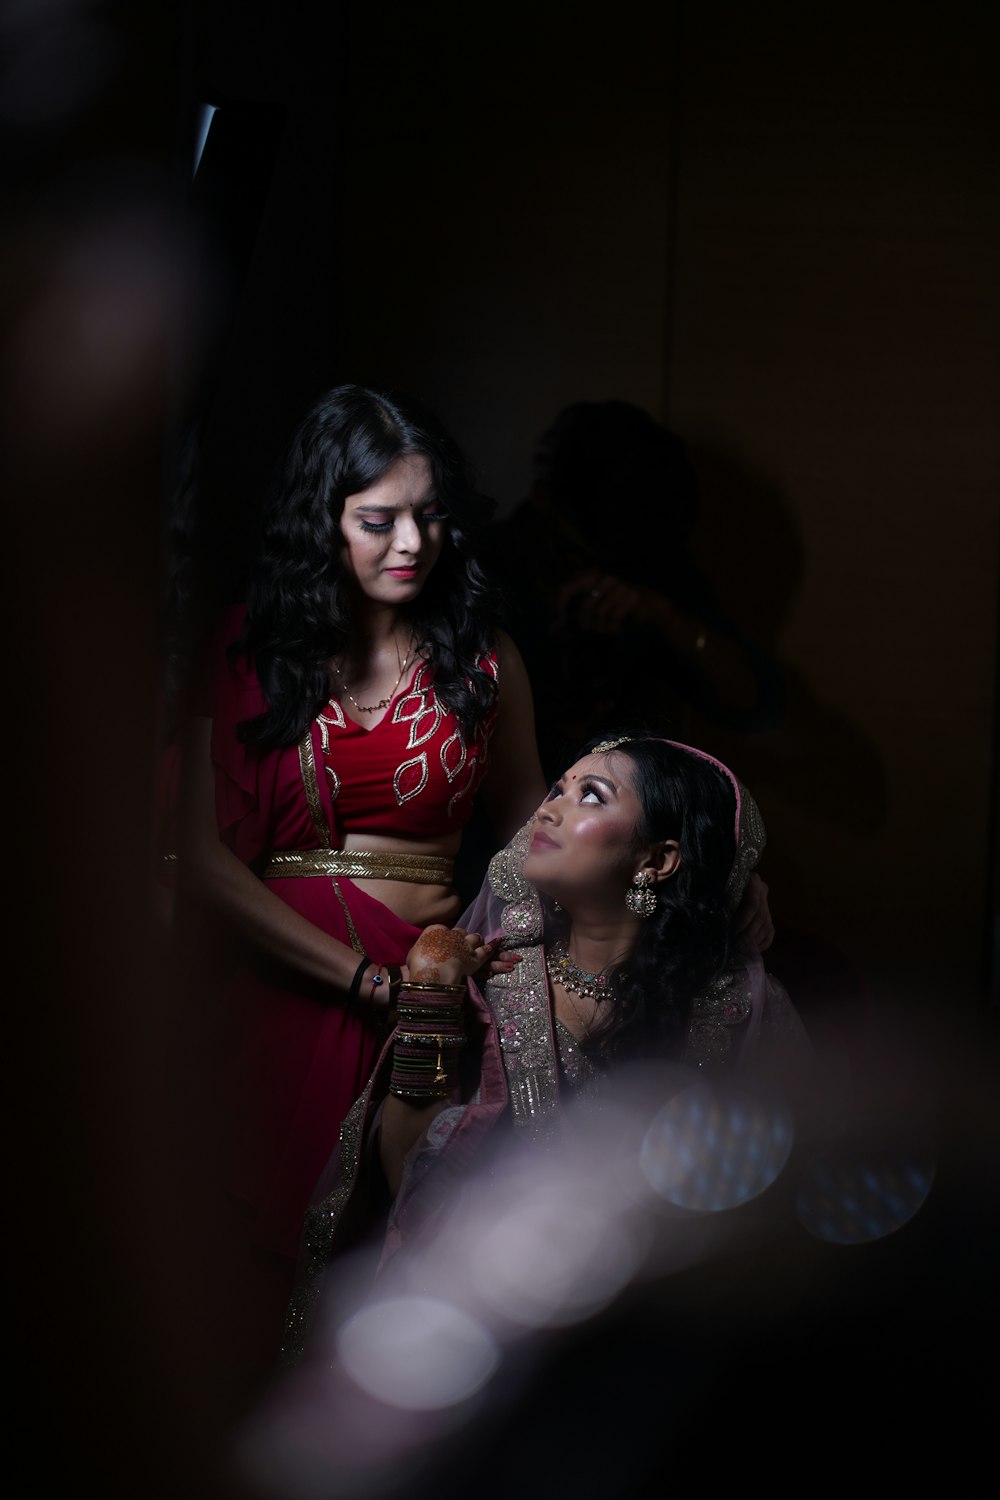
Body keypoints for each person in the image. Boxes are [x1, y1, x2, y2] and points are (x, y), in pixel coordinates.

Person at [174, 383, 546, 1367]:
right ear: (324, 521)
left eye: (429, 516)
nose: (411, 543)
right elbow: (201, 859)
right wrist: (359, 982)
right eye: (377, 520)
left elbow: (526, 837)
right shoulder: (253, 651)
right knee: (248, 1278)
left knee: (407, 1265)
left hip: (431, 996)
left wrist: (487, 969)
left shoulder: (484, 662)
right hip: (281, 991)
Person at [281, 734, 808, 1366]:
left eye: (589, 795)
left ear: (659, 859)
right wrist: (430, 994)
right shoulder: (494, 979)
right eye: (554, 789)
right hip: (473, 1332)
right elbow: (410, 1181)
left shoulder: (733, 1010)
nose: (548, 809)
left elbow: (780, 1214)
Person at [486, 401, 787, 783]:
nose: (597, 575)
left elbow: (754, 702)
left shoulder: (651, 571)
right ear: (544, 498)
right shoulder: (484, 569)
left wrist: (664, 616)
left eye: (617, 561)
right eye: (581, 554)